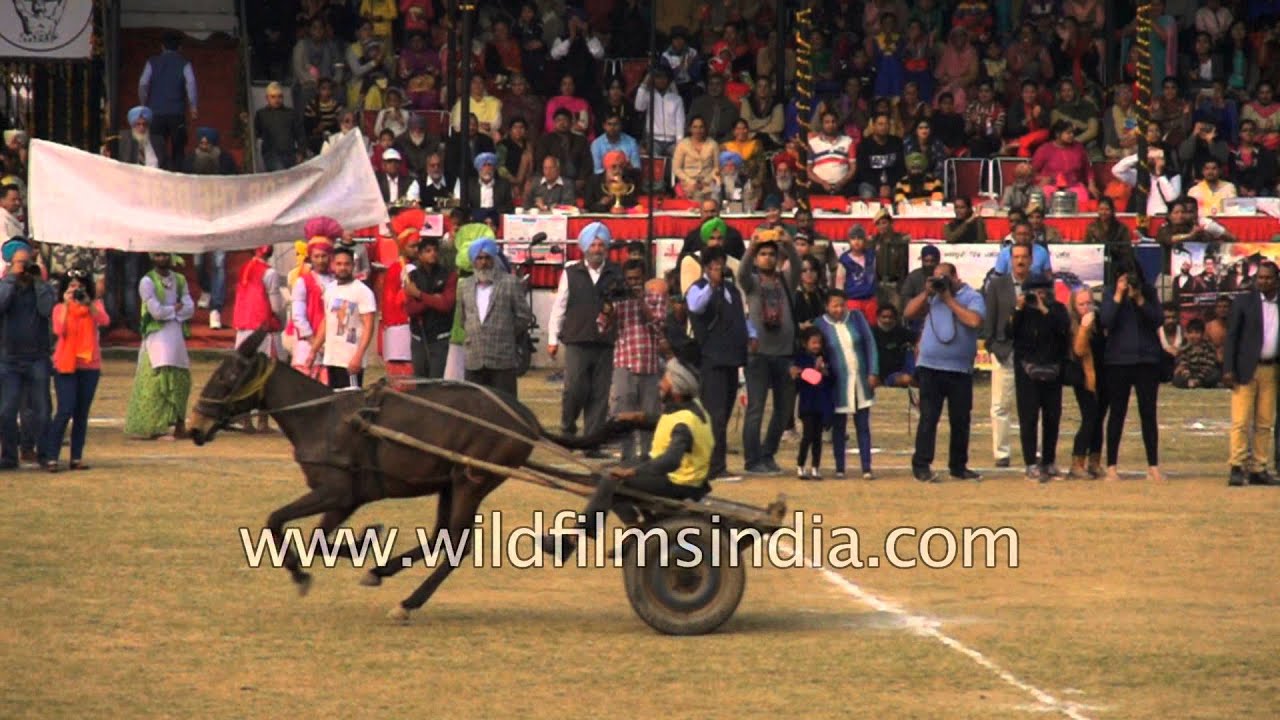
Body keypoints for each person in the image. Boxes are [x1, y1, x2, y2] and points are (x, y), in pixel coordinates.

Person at [542, 360, 713, 560]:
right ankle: (634, 529)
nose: (660, 383)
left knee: (611, 479)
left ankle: (571, 540)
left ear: (677, 388)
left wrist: (632, 472)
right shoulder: (689, 408)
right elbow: (666, 422)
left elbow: (671, 460)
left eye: (665, 379)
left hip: (679, 481)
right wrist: (639, 417)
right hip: (679, 475)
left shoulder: (684, 421)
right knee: (600, 475)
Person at [905, 263, 986, 482]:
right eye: (937, 277)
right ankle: (921, 465)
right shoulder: (931, 297)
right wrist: (927, 293)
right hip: (930, 366)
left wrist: (949, 298)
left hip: (959, 369)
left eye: (944, 277)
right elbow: (909, 313)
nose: (941, 281)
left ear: (955, 277)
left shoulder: (971, 296)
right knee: (929, 418)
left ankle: (958, 466)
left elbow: (975, 321)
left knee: (960, 420)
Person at [547, 222, 622, 448]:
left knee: (600, 395)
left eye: (601, 244)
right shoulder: (571, 272)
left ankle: (592, 443)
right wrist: (552, 340)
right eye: (593, 244)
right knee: (574, 389)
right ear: (584, 247)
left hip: (605, 342)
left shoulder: (616, 273)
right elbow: (559, 307)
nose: (597, 249)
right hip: (577, 340)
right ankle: (568, 431)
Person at [738, 231, 801, 474]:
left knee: (784, 409)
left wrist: (789, 244)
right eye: (763, 255)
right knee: (756, 408)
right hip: (758, 355)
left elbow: (796, 264)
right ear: (756, 258)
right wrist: (751, 247)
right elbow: (741, 273)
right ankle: (752, 460)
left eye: (772, 254)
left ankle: (768, 454)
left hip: (784, 354)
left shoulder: (785, 280)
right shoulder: (752, 282)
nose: (767, 258)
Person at [687, 246, 751, 480]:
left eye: (720, 264)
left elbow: (740, 317)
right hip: (711, 358)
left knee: (723, 412)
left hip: (732, 357)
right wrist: (711, 286)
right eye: (713, 265)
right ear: (705, 267)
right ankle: (714, 466)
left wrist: (750, 336)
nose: (718, 269)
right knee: (714, 414)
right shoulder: (698, 289)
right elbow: (695, 307)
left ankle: (716, 462)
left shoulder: (731, 290)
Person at [1099, 268, 1165, 482]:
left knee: (1148, 413)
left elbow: (1157, 320)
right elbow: (1106, 321)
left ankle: (1153, 466)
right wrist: (1119, 296)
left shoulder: (1149, 293)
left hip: (1147, 361)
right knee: (1117, 413)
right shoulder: (1110, 293)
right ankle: (1111, 467)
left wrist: (1139, 299)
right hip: (1118, 361)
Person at [41, 269, 109, 471]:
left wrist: (89, 304)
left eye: (80, 286)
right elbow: (59, 330)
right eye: (72, 286)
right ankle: (51, 456)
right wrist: (66, 304)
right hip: (66, 365)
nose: (76, 290)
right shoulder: (59, 308)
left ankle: (76, 457)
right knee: (65, 410)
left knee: (81, 413)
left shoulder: (94, 305)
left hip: (89, 364)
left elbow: (104, 321)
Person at [124, 252, 194, 440]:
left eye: (164, 255)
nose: (161, 258)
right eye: (157, 255)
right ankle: (151, 427)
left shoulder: (179, 280)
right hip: (156, 338)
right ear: (152, 257)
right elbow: (155, 312)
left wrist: (171, 312)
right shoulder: (146, 282)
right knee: (154, 382)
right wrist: (175, 310)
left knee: (181, 381)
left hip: (176, 337)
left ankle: (179, 426)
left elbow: (190, 308)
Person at [1223, 261, 1280, 486]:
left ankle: (1258, 467)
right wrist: (1228, 369)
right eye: (1260, 278)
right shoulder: (1244, 302)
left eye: (1268, 278)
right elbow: (1232, 337)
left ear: (1277, 280)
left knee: (1265, 422)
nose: (1263, 281)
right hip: (1246, 369)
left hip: (1271, 369)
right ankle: (1237, 466)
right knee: (1241, 420)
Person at [1010, 276, 1070, 481]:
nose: (1038, 296)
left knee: (1052, 417)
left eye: (1042, 291)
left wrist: (1044, 309)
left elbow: (1063, 330)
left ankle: (1049, 461)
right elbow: (1008, 333)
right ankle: (1030, 462)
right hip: (1027, 372)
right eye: (1034, 292)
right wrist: (1018, 310)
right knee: (1028, 418)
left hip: (1053, 369)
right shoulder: (1022, 312)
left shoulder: (1057, 309)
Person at [456, 237, 532, 396]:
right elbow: (463, 319)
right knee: (474, 408)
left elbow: (524, 317)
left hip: (502, 359)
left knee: (505, 408)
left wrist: (505, 333)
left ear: (494, 259)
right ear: (473, 261)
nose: (483, 262)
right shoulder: (464, 285)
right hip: (474, 359)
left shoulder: (510, 282)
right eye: (479, 258)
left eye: (487, 258)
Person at [816, 289, 880, 479]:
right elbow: (816, 349)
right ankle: (839, 468)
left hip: (860, 378)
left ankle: (867, 468)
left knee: (863, 425)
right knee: (839, 427)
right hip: (838, 382)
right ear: (827, 306)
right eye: (834, 305)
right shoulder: (820, 324)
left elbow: (870, 344)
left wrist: (873, 371)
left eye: (842, 305)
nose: (839, 309)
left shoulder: (857, 318)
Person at [0, 238, 53, 468]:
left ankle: (44, 454)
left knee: (41, 411)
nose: (25, 266)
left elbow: (46, 309)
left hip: (37, 357)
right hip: (9, 358)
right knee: (7, 411)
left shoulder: (41, 287)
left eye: (27, 261)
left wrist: (38, 281)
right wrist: (12, 277)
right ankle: (9, 456)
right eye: (20, 262)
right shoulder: (4, 285)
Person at [984, 242, 1035, 468]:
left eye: (1024, 257)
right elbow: (990, 320)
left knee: (1034, 405)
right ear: (1010, 260)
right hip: (1005, 351)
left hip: (1033, 353)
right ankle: (1001, 453)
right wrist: (994, 346)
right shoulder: (997, 285)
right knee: (1000, 405)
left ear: (1031, 259)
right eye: (1016, 257)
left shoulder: (1039, 283)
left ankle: (1035, 451)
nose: (1020, 261)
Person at [610, 261, 665, 462]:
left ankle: (648, 457)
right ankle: (627, 457)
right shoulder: (619, 301)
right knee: (624, 414)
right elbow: (602, 327)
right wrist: (608, 304)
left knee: (649, 415)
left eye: (637, 279)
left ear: (644, 279)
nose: (633, 283)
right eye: (630, 279)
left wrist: (641, 302)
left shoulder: (655, 299)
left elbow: (658, 327)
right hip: (624, 363)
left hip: (649, 365)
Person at [231, 246, 285, 431]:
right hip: (263, 330)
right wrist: (283, 321)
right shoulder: (269, 273)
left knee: (245, 376)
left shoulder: (245, 269)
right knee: (266, 376)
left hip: (244, 329)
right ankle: (262, 421)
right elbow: (276, 306)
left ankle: (246, 419)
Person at [308, 246, 376, 389]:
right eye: (339, 264)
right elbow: (326, 322)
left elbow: (369, 326)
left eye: (347, 264)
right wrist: (313, 351)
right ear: (333, 265)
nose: (343, 268)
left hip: (350, 359)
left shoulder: (363, 292)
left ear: (353, 265)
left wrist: (358, 356)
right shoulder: (330, 289)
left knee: (350, 403)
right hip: (332, 358)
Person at [287, 219, 339, 383]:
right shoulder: (303, 282)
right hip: (308, 343)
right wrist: (314, 342)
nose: (321, 260)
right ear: (311, 257)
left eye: (324, 256)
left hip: (331, 343)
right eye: (317, 256)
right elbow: (298, 316)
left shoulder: (336, 281)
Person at [138, 32, 197, 170]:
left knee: (156, 149)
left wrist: (143, 102)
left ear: (162, 47)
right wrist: (193, 107)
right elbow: (191, 84)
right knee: (178, 150)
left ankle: (158, 179)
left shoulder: (152, 62)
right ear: (180, 48)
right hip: (177, 113)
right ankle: (177, 180)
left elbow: (143, 83)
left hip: (156, 113)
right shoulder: (185, 64)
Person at [1066, 286, 1106, 479]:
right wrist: (1083, 327)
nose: (1086, 307)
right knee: (1089, 417)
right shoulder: (1074, 324)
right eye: (1081, 304)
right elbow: (1079, 350)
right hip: (1083, 377)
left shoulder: (1099, 320)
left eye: (1089, 303)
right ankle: (1077, 462)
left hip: (1102, 374)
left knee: (1099, 419)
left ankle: (1095, 461)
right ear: (1074, 305)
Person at [403, 236, 456, 379]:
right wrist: (433, 300)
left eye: (435, 250)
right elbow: (410, 309)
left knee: (436, 382)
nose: (433, 253)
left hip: (440, 338)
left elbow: (446, 305)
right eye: (428, 251)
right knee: (419, 381)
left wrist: (419, 294)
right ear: (419, 255)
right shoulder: (412, 277)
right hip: (419, 337)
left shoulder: (448, 276)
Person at [793, 327, 836, 479]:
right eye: (814, 343)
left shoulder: (826, 358)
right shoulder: (801, 359)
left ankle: (815, 467)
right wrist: (814, 370)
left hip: (821, 404)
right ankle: (800, 465)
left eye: (819, 343)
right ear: (805, 343)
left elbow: (831, 380)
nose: (817, 346)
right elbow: (802, 379)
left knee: (818, 438)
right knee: (808, 436)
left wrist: (825, 372)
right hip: (807, 404)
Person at [835, 226, 879, 323]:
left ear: (865, 240)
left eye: (859, 238)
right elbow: (839, 285)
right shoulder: (844, 259)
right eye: (853, 238)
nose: (856, 242)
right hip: (852, 301)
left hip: (870, 300)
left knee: (872, 329)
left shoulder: (871, 256)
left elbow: (875, 275)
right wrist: (840, 304)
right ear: (849, 241)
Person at [873, 305, 915, 387]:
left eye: (890, 317)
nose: (887, 320)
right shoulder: (870, 333)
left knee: (906, 379)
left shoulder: (901, 332)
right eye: (884, 317)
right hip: (874, 375)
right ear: (878, 317)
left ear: (895, 318)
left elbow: (918, 339)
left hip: (895, 374)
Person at [1172, 319, 1221, 388]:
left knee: (1215, 374)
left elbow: (1209, 365)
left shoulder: (1208, 347)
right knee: (1177, 379)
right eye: (1191, 333)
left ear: (1203, 334)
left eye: (1197, 333)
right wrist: (1189, 378)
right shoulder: (1184, 347)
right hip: (1190, 372)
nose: (1193, 335)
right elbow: (1184, 365)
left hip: (1204, 373)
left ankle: (1198, 383)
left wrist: (1198, 379)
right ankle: (1191, 384)